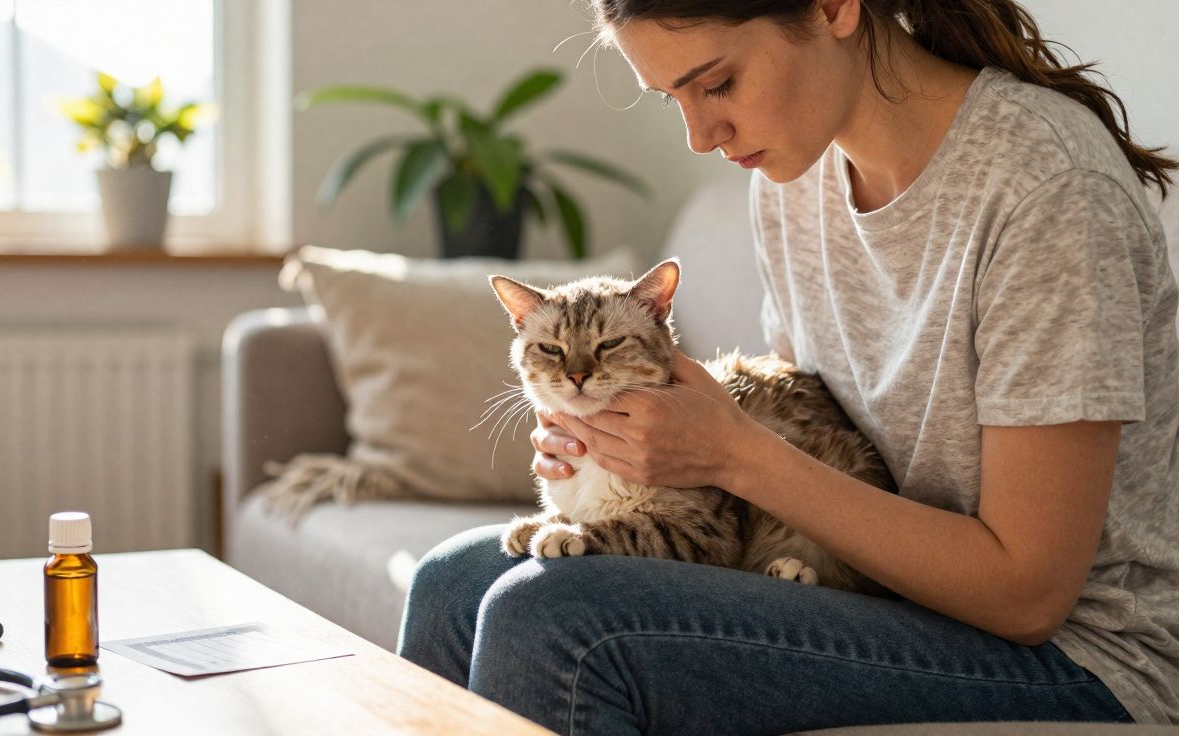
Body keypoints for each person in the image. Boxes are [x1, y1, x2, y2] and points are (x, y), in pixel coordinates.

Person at [397, 0, 1179, 732]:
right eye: (675, 100)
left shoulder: (1046, 190)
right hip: (887, 589)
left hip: (1079, 660)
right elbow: (817, 417)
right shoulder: (792, 180)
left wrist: (735, 452)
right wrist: (626, 453)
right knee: (452, 582)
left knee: (554, 617)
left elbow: (1029, 593)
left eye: (719, 83)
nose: (703, 137)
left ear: (834, 8)